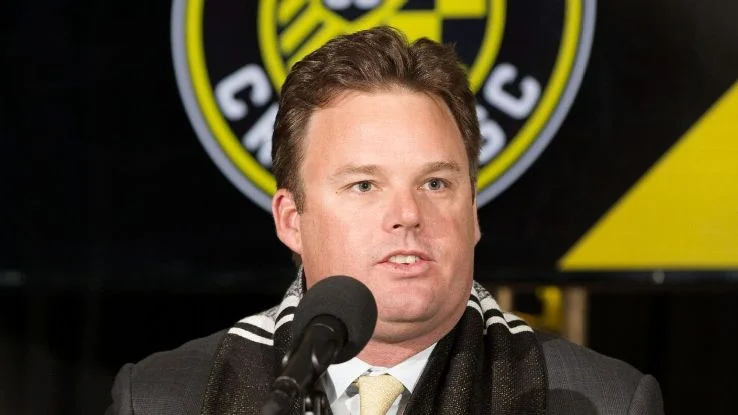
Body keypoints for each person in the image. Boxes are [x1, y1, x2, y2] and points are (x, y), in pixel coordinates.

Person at [106, 26, 664, 414]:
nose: (407, 216)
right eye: (364, 185)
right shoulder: (163, 399)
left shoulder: (603, 402)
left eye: (435, 183)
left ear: (472, 213)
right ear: (291, 219)